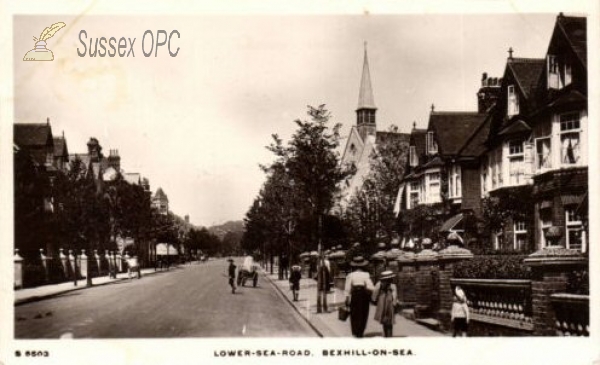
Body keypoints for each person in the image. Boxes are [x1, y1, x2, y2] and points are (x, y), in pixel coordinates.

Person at [344, 256, 375, 338]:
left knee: (354, 313)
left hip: (354, 294)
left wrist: (347, 298)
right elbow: (371, 287)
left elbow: (347, 288)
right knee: (364, 312)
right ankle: (361, 331)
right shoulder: (366, 274)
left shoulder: (350, 275)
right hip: (363, 294)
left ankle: (355, 331)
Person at [372, 270, 398, 337]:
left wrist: (374, 299)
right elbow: (394, 295)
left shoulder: (379, 284)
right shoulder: (393, 285)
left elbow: (375, 292)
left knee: (384, 318)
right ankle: (389, 334)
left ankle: (386, 333)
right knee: (389, 318)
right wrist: (394, 302)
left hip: (382, 300)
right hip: (389, 302)